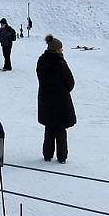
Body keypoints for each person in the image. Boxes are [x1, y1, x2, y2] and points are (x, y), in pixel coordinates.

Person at [36, 35, 76, 163]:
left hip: (45, 99)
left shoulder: (41, 61)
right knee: (60, 129)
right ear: (56, 50)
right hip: (60, 101)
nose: (62, 51)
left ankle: (47, 155)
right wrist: (63, 90)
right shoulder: (60, 63)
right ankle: (62, 157)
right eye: (61, 49)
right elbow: (70, 82)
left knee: (49, 128)